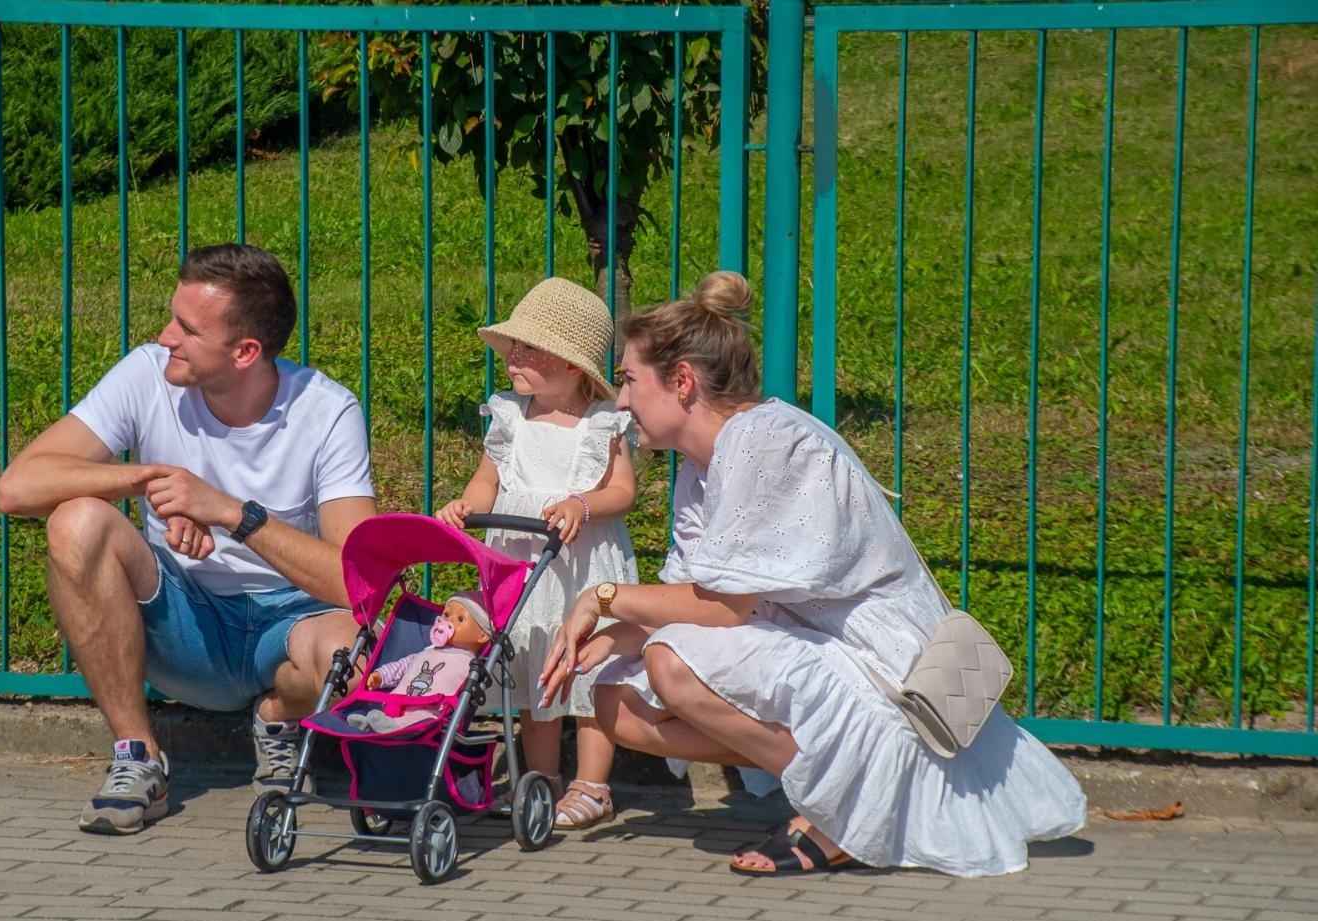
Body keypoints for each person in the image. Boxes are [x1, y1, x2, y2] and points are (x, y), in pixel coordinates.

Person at [539, 271, 1086, 877]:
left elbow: (723, 609)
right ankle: (838, 773)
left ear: (683, 382)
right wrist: (602, 639)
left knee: (670, 661)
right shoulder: (703, 464)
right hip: (812, 647)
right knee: (614, 698)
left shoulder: (762, 440)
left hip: (882, 666)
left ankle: (843, 808)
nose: (619, 401)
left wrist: (604, 596)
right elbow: (694, 595)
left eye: (628, 381)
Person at [0, 243, 375, 835]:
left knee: (356, 648)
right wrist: (152, 480)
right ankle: (137, 757)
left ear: (245, 351)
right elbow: (17, 487)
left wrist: (230, 513)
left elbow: (358, 582)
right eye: (173, 317)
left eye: (188, 328)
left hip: (289, 625)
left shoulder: (326, 411)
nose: (165, 335)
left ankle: (278, 719)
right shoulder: (148, 372)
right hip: (184, 625)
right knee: (75, 520)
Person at [436, 277, 638, 831]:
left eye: (532, 349)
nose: (515, 359)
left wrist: (582, 503)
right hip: (524, 565)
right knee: (533, 667)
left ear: (573, 365)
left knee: (588, 672)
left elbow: (622, 490)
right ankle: (543, 780)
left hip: (581, 565)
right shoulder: (509, 415)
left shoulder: (601, 421)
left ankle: (592, 785)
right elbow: (487, 482)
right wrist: (464, 506)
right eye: (514, 347)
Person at [347, 591, 492, 734]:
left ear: (482, 635)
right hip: (397, 704)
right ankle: (369, 724)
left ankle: (391, 727)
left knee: (421, 718)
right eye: (446, 615)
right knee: (382, 715)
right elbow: (402, 667)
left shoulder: (471, 664)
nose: (449, 621)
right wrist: (381, 676)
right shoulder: (427, 651)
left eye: (460, 619)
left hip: (430, 712)